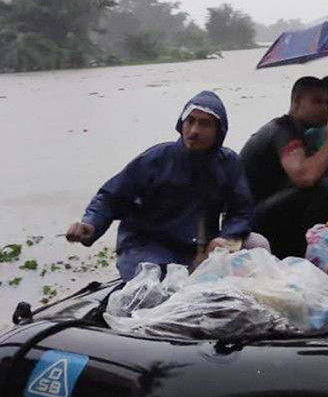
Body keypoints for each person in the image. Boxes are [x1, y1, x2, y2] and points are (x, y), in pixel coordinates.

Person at [65, 91, 267, 281]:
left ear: (219, 132)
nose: (194, 130)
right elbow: (110, 197)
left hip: (202, 248)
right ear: (181, 125)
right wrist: (89, 224)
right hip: (150, 247)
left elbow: (242, 210)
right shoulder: (156, 159)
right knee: (157, 279)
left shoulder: (228, 163)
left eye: (204, 124)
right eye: (190, 121)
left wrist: (225, 239)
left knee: (257, 244)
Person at [240, 77, 328, 258]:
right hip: (250, 219)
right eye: (317, 102)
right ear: (297, 102)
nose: (325, 108)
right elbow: (304, 177)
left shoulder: (297, 130)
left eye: (327, 103)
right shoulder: (283, 131)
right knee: (322, 188)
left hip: (266, 207)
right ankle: (300, 252)